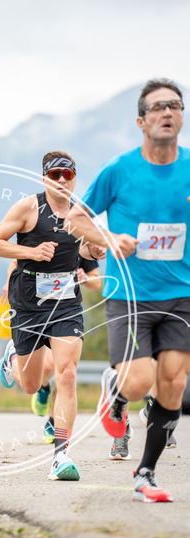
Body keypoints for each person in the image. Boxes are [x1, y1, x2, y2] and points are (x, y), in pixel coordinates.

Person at [65, 78, 190, 502]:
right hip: (130, 294)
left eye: (175, 105)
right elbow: (75, 219)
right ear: (141, 121)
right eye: (158, 107)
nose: (167, 112)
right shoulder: (119, 170)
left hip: (182, 293)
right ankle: (117, 392)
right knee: (139, 382)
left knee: (173, 382)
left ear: (181, 116)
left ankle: (146, 473)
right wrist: (109, 237)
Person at [0, 150, 105, 481]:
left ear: (75, 179)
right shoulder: (28, 208)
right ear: (44, 179)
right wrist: (31, 251)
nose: (62, 180)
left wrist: (94, 249)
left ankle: (60, 455)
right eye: (55, 174)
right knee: (30, 385)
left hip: (66, 303)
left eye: (68, 174)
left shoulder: (82, 213)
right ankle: (13, 358)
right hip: (27, 302)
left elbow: (84, 251)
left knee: (67, 374)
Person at [1, 256, 101, 445]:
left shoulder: (79, 242)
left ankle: (54, 423)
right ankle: (38, 383)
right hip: (33, 310)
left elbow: (96, 280)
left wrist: (85, 278)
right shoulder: (41, 240)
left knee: (66, 373)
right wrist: (8, 283)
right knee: (43, 372)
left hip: (65, 311)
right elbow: (14, 262)